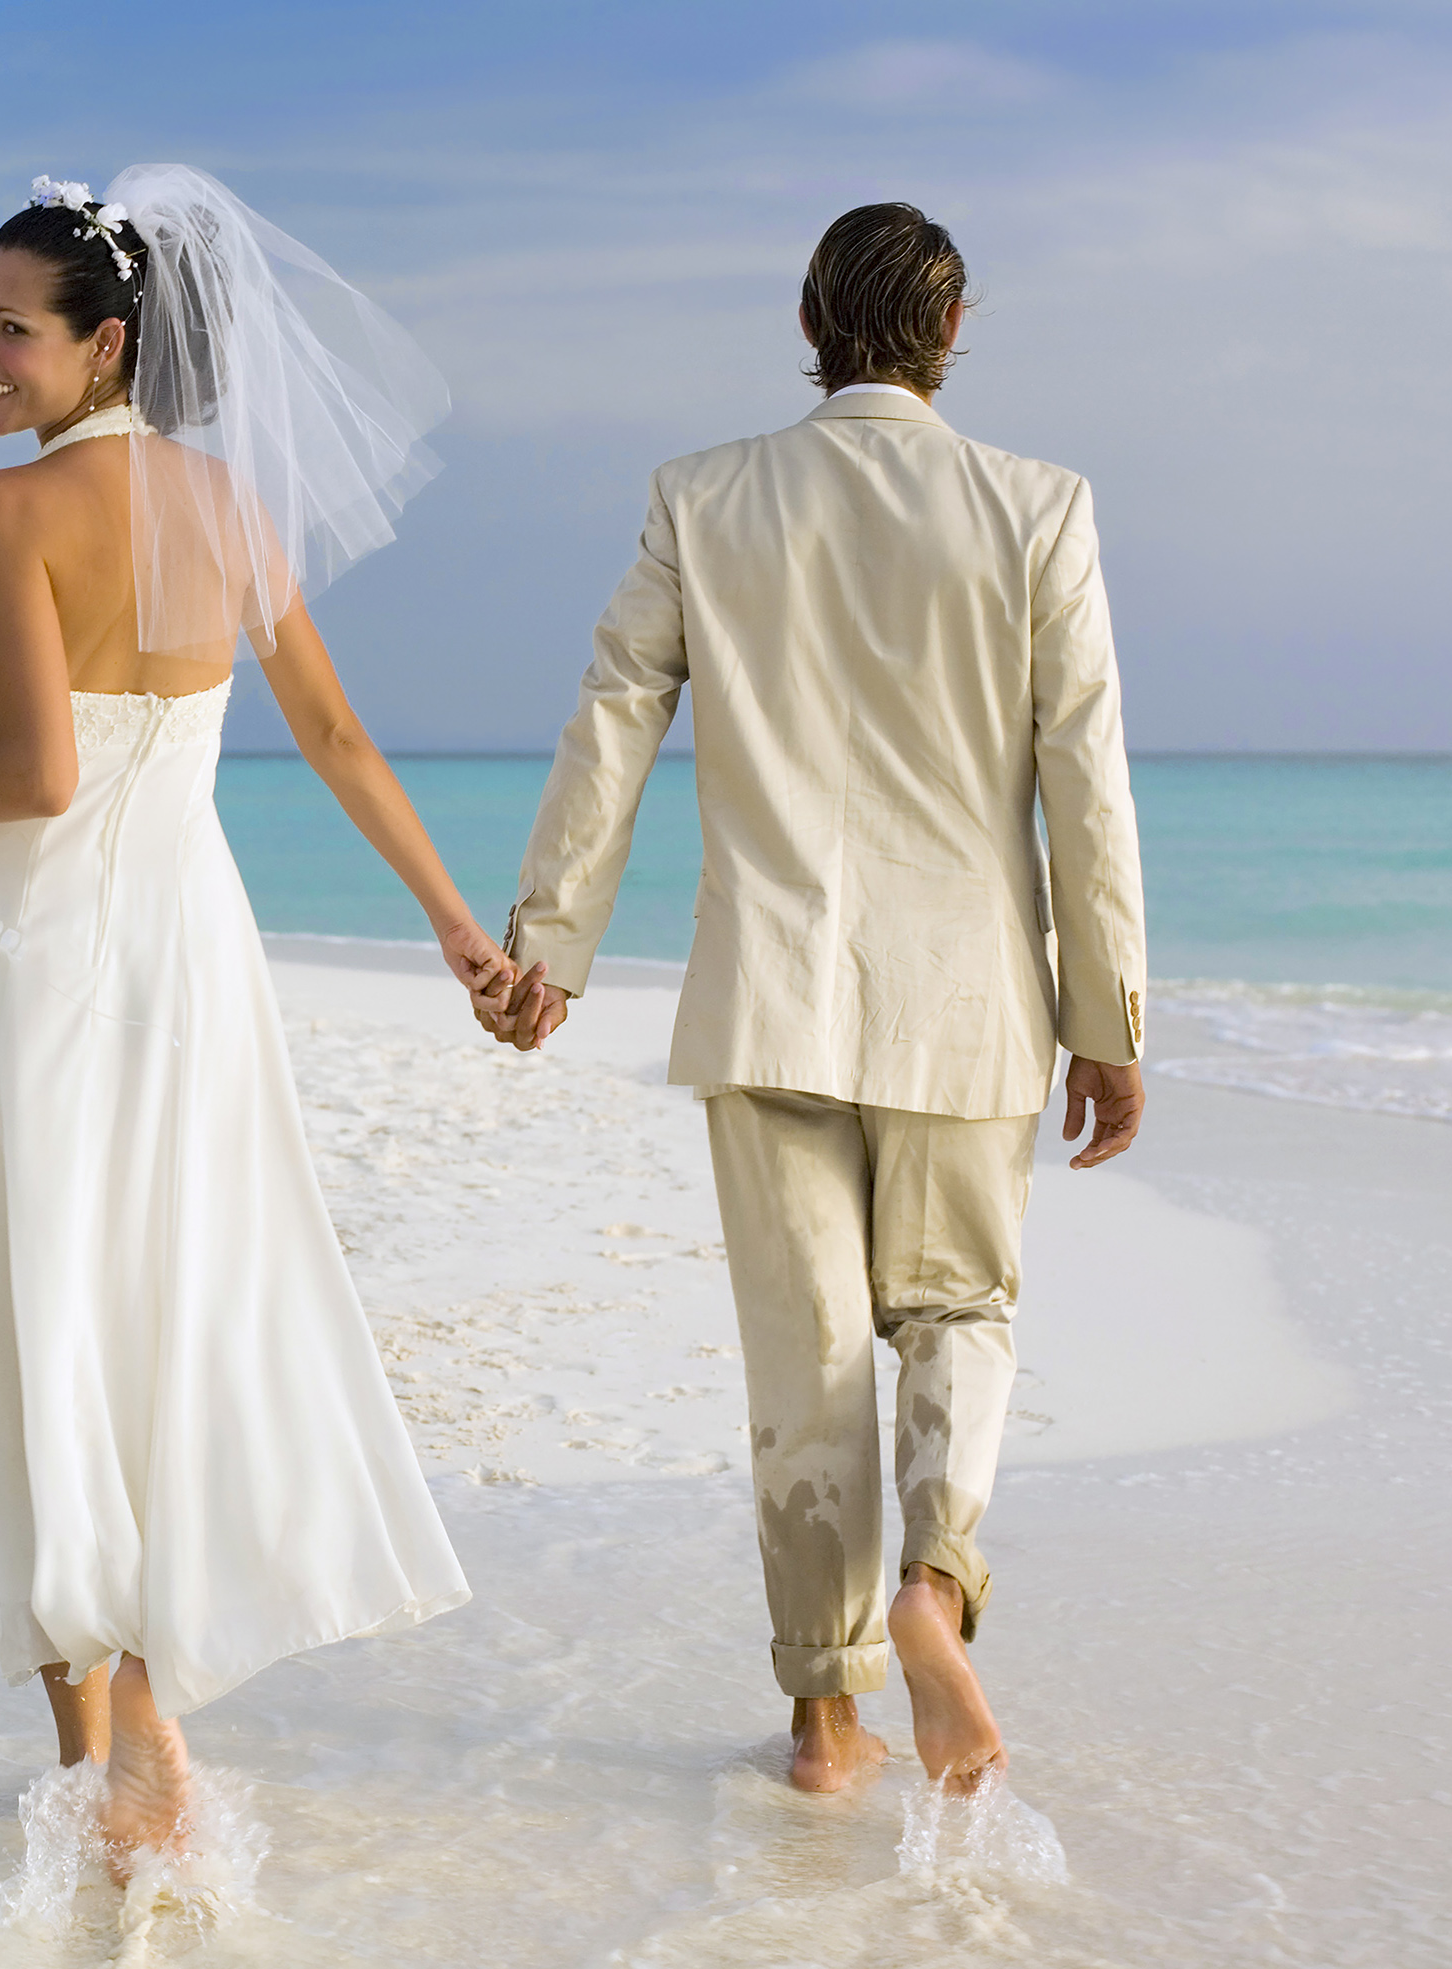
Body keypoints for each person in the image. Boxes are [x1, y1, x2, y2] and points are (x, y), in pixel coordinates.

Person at [476, 203, 1148, 1797]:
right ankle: (936, 1584)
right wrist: (1108, 1018)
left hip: (765, 995)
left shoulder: (701, 498)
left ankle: (824, 1722)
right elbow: (1086, 780)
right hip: (970, 999)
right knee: (959, 1313)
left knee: (806, 1361)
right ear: (955, 323)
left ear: (805, 317)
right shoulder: (1036, 507)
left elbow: (612, 718)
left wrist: (548, 946)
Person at [0, 168, 488, 1870]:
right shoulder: (232, 506)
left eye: (13, 328)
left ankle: (121, 1712)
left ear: (106, 342)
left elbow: (31, 775)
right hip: (192, 955)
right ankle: (105, 1740)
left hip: (34, 951)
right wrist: (453, 927)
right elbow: (344, 742)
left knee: (41, 1307)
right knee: (166, 1301)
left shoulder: (4, 514)